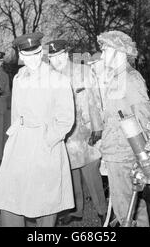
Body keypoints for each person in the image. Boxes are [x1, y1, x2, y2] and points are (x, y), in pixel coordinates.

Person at [0, 32, 75, 227]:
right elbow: (16, 113)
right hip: (20, 142)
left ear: (41, 52)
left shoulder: (57, 79)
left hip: (46, 144)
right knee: (11, 196)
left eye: (36, 54)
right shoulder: (19, 78)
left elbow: (66, 119)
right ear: (21, 56)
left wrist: (48, 140)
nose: (32, 60)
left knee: (45, 202)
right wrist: (12, 136)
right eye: (27, 56)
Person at [95, 30, 150, 227]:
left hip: (125, 153)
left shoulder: (131, 79)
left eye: (106, 49)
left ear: (120, 52)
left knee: (124, 208)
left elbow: (145, 117)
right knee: (134, 204)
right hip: (115, 150)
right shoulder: (117, 77)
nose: (103, 54)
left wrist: (145, 155)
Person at [47, 40, 107, 225]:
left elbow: (95, 100)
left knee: (92, 174)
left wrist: (98, 128)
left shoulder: (84, 72)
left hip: (85, 131)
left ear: (66, 54)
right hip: (63, 134)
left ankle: (103, 210)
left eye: (58, 56)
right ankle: (76, 210)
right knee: (70, 174)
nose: (56, 61)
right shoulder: (48, 77)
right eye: (51, 58)